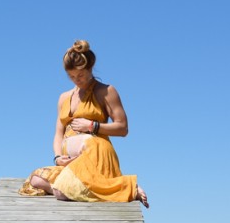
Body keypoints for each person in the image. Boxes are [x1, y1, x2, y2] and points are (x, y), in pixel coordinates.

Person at [19, 40, 149, 206]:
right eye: (71, 76)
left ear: (90, 68)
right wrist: (58, 157)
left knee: (61, 190)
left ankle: (130, 188)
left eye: (80, 75)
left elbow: (123, 128)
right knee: (36, 179)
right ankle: (81, 188)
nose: (76, 80)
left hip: (96, 153)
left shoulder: (106, 91)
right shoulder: (64, 97)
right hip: (72, 161)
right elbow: (59, 133)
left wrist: (92, 126)